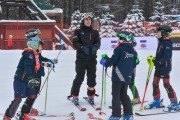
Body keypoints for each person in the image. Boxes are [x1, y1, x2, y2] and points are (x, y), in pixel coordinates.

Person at [3, 33, 57, 120]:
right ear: (34, 45)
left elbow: (41, 60)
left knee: (32, 96)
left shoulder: (35, 54)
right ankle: (7, 116)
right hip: (21, 80)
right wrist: (30, 78)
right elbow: (27, 66)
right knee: (18, 99)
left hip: (27, 80)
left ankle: (24, 115)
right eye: (40, 46)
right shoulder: (29, 54)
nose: (41, 48)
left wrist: (49, 61)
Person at [100, 31, 137, 120]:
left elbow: (112, 61)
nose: (118, 40)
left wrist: (105, 61)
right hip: (128, 77)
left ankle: (116, 115)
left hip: (118, 76)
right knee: (124, 94)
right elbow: (134, 64)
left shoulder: (119, 49)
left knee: (116, 95)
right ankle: (128, 114)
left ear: (122, 39)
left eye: (119, 39)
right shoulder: (133, 51)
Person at [144, 25, 180, 111]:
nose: (157, 33)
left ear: (164, 33)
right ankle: (157, 101)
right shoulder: (161, 42)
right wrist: (154, 60)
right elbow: (160, 55)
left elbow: (166, 56)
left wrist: (159, 62)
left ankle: (175, 103)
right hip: (159, 67)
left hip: (165, 67)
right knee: (155, 83)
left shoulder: (167, 43)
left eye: (159, 32)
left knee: (166, 84)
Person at [69, 12, 100, 104]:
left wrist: (95, 47)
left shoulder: (95, 32)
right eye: (86, 19)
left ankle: (91, 95)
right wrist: (82, 47)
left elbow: (98, 42)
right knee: (79, 77)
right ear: (83, 20)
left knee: (91, 78)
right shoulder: (78, 31)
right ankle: (75, 95)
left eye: (89, 20)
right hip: (81, 59)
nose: (88, 21)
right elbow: (75, 43)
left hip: (91, 59)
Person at [129, 39, 141, 104]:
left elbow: (137, 61)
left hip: (131, 70)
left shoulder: (133, 50)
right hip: (123, 70)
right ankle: (121, 98)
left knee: (131, 84)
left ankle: (136, 98)